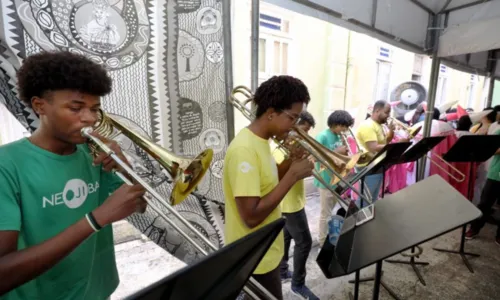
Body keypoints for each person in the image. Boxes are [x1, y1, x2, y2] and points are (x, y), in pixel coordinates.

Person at [0, 51, 146, 299]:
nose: (89, 118)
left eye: (94, 109)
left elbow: (140, 206)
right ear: (39, 106)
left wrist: (125, 169)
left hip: (98, 292)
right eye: (76, 108)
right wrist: (95, 219)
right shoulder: (7, 165)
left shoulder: (93, 153)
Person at [223, 75, 314, 300]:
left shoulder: (263, 142)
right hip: (254, 256)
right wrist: (292, 175)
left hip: (267, 250)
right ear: (271, 113)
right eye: (292, 117)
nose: (295, 126)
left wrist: (289, 163)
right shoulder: (245, 150)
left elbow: (268, 184)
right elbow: (251, 217)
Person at [271, 111, 319, 300]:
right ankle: (298, 285)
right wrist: (306, 165)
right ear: (293, 126)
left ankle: (282, 271)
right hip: (289, 204)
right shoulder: (279, 149)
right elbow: (282, 176)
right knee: (305, 242)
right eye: (304, 131)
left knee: (287, 237)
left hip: (293, 200)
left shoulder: (291, 146)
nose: (306, 136)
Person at [313, 110, 354, 247]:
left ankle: (330, 238)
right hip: (325, 180)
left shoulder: (338, 136)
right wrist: (338, 152)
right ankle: (322, 241)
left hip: (337, 179)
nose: (345, 130)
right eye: (344, 126)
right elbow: (316, 156)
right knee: (326, 213)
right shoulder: (323, 136)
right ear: (336, 124)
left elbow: (340, 157)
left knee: (331, 211)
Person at [355, 100, 407, 203]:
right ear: (377, 110)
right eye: (386, 112)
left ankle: (367, 217)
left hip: (376, 164)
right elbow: (373, 147)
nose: (388, 115)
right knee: (366, 198)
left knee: (373, 198)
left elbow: (385, 141)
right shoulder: (368, 125)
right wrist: (397, 145)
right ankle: (357, 218)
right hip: (368, 165)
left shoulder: (378, 125)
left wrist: (391, 131)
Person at [466, 123, 500, 246]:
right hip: (496, 173)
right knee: (485, 203)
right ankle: (474, 229)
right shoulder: (499, 131)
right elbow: (490, 149)